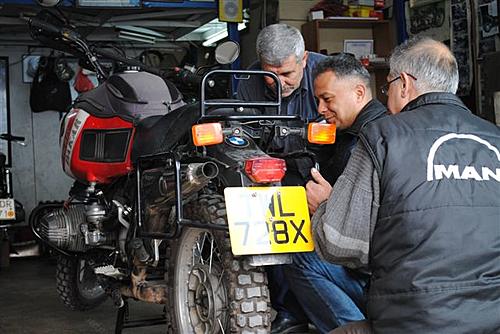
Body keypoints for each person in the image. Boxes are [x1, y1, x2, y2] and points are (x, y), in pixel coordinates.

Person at [308, 36, 500, 334]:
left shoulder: (381, 135)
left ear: (405, 84)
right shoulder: (495, 137)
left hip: (411, 320)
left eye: (388, 87)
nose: (386, 98)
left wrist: (324, 206)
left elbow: (339, 244)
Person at [283, 54, 387, 334]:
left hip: (377, 274)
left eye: (327, 99)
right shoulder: (360, 132)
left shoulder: (367, 142)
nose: (321, 108)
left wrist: (329, 204)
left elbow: (366, 230)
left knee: (298, 256)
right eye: (318, 100)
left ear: (359, 92)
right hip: (383, 271)